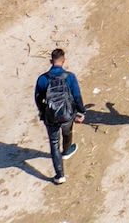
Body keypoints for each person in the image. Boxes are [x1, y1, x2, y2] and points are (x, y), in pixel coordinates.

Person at [33, 48, 86, 184]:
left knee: (54, 143)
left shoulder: (42, 79)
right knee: (67, 132)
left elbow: (38, 98)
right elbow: (77, 96)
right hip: (67, 115)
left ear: (51, 61)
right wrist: (81, 112)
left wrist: (42, 112)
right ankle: (67, 151)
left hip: (50, 116)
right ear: (63, 61)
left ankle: (60, 175)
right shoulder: (70, 77)